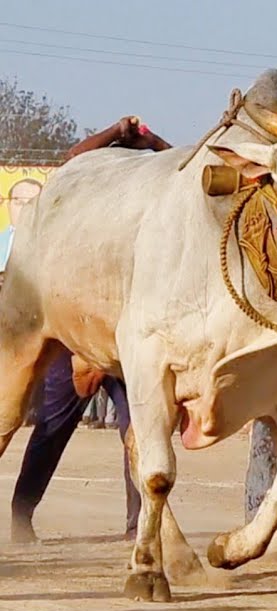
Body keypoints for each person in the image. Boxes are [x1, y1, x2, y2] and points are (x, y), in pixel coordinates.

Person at [8, 115, 170, 543]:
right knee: (50, 430)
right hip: (74, 333)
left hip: (127, 338)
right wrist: (119, 133)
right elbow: (73, 160)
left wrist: (149, 141)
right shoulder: (88, 191)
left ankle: (140, 527)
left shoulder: (157, 198)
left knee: (141, 429)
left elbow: (183, 169)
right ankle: (20, 515)